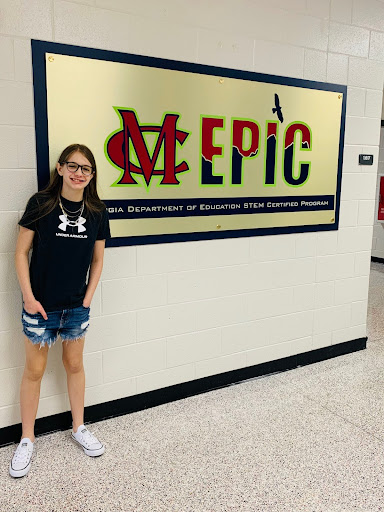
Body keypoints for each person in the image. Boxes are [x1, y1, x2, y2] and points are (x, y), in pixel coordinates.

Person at [10, 144, 110, 478]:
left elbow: (98, 260)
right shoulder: (41, 204)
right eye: (73, 166)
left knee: (75, 365)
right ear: (60, 167)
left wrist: (88, 297)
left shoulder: (96, 212)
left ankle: (79, 427)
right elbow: (21, 253)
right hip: (39, 308)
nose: (79, 173)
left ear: (92, 175)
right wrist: (27, 297)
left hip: (76, 308)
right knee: (34, 371)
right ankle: (26, 439)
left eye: (86, 168)